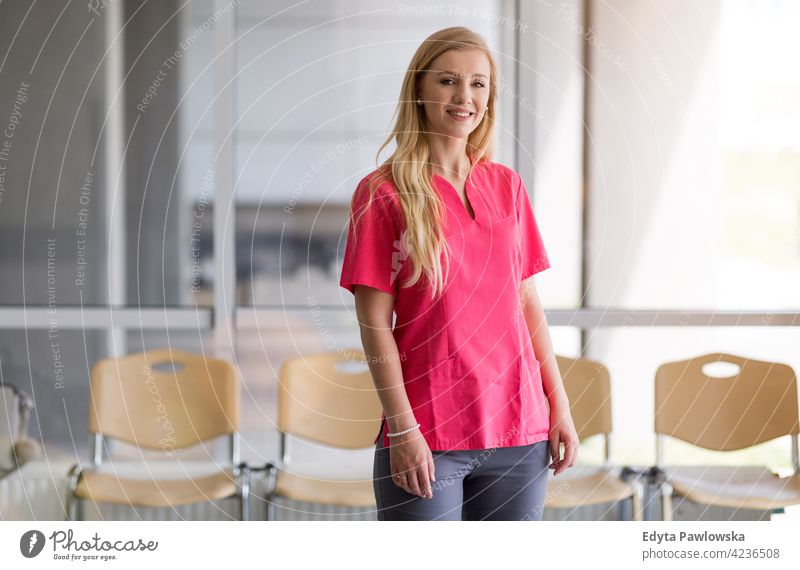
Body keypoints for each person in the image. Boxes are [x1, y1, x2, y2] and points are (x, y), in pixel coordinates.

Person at [339, 26, 579, 521]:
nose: (464, 96)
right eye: (448, 81)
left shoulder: (506, 185)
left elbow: (527, 304)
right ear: (420, 90)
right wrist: (402, 429)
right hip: (428, 434)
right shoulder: (382, 193)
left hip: (520, 428)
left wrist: (560, 406)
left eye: (479, 84)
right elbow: (374, 325)